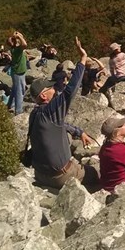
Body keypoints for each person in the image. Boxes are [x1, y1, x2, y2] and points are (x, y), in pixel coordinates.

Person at [28, 38, 96, 189]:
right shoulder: (51, 109)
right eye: (50, 88)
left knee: (67, 134)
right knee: (95, 172)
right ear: (44, 95)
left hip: (40, 175)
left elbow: (60, 125)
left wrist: (79, 132)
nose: (54, 89)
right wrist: (83, 60)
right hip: (61, 176)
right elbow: (70, 91)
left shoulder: (35, 114)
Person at [8, 32, 29, 114]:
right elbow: (25, 44)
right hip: (18, 73)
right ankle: (18, 111)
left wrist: (19, 35)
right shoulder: (17, 50)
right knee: (20, 92)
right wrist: (19, 36)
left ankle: (10, 105)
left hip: (17, 72)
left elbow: (22, 41)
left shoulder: (16, 48)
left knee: (14, 90)